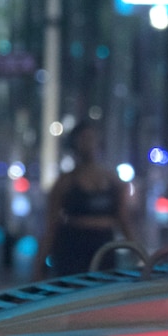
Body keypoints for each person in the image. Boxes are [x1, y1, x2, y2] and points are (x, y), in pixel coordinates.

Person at [38, 119, 134, 277]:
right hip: (73, 249)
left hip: (104, 249)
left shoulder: (113, 181)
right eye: (83, 139)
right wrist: (40, 264)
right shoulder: (65, 182)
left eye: (91, 138)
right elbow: (51, 224)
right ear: (75, 144)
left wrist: (137, 252)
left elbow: (124, 220)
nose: (88, 144)